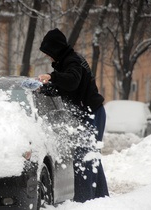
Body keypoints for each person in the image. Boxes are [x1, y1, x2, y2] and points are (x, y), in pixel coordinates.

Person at [37, 28, 109, 202]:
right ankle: (101, 199)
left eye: (49, 53)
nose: (49, 57)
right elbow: (68, 88)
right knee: (90, 156)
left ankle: (84, 202)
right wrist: (46, 89)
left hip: (92, 114)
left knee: (84, 158)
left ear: (55, 49)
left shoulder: (72, 62)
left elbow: (72, 81)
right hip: (91, 113)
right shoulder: (67, 62)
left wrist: (52, 77)